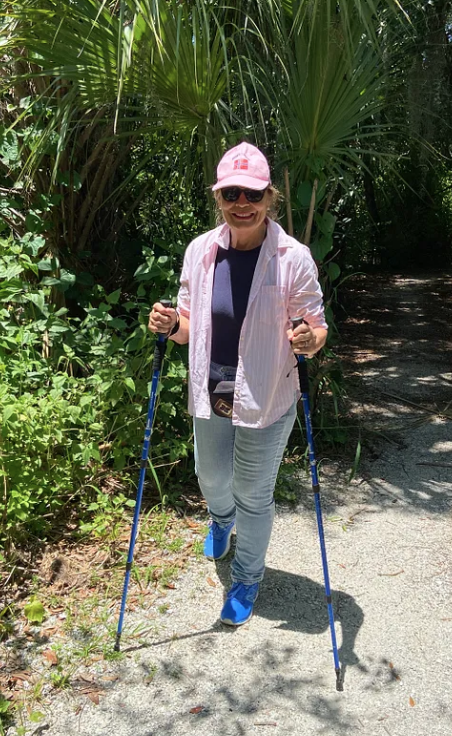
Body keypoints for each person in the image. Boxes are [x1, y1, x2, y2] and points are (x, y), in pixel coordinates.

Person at [148, 142, 328, 626]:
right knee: (211, 478)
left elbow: (316, 331)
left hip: (268, 394)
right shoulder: (200, 252)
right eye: (231, 193)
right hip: (212, 391)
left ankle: (248, 575)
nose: (241, 205)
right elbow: (187, 328)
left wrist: (309, 338)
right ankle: (221, 521)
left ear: (269, 198)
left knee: (253, 490)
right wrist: (169, 325)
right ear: (219, 198)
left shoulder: (293, 257)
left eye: (251, 194)